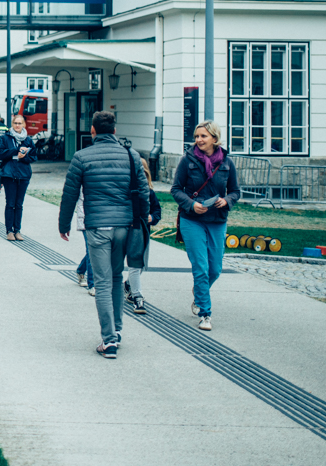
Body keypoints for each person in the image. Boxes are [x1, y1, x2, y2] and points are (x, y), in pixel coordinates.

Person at [57, 111, 149, 359]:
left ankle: (108, 340)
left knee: (103, 281)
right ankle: (116, 331)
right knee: (117, 277)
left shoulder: (81, 157)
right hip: (124, 227)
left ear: (93, 132)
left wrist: (63, 224)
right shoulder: (131, 156)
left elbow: (70, 194)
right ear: (115, 131)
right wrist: (142, 222)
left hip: (96, 227)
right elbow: (143, 193)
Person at [172, 120, 240, 332]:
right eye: (197, 136)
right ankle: (205, 313)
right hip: (192, 220)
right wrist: (192, 204)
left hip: (217, 220)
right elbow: (175, 189)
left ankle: (199, 292)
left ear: (214, 138)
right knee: (200, 268)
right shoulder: (187, 160)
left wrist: (226, 201)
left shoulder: (227, 163)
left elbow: (236, 191)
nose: (199, 140)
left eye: (203, 136)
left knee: (215, 269)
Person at [123, 157, 163, 314]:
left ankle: (128, 285)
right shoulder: (124, 191)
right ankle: (137, 296)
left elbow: (157, 211)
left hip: (141, 231)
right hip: (126, 229)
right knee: (135, 264)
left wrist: (152, 217)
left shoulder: (149, 193)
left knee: (140, 265)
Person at [0, 114, 38, 241]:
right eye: (16, 123)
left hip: (23, 175)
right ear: (12, 125)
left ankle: (17, 230)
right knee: (10, 203)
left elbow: (34, 157)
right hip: (9, 175)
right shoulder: (5, 138)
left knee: (19, 204)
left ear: (24, 125)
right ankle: (9, 231)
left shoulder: (28, 140)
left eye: (20, 123)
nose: (18, 126)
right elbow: (1, 154)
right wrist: (15, 150)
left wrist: (24, 157)